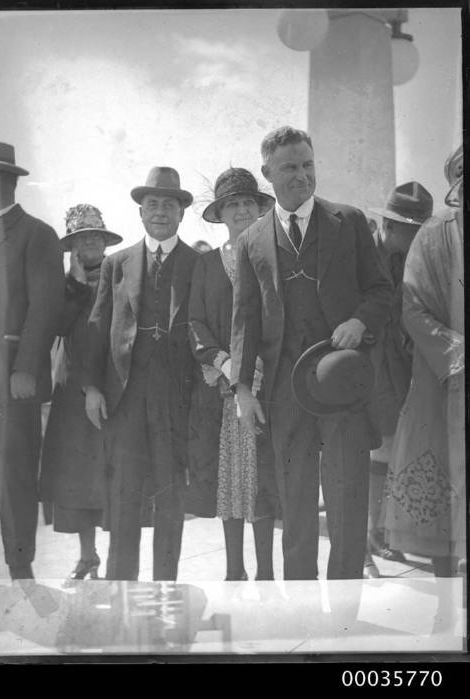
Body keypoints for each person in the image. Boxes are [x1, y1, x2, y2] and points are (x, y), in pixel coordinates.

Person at [230, 126, 393, 580]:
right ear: (267, 173)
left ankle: (345, 610)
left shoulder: (350, 220)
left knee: (346, 494)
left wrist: (360, 321)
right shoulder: (251, 241)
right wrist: (243, 389)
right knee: (295, 499)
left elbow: (381, 289)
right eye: (289, 167)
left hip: (342, 383)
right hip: (285, 390)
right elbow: (244, 320)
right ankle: (300, 600)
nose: (301, 175)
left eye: (307, 164)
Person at [83, 167, 198, 581]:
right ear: (141, 212)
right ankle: (120, 589)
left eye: (169, 204)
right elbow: (96, 329)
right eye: (153, 204)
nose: (161, 211)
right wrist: (92, 387)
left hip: (174, 401)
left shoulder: (198, 263)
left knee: (171, 498)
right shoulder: (118, 263)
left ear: (182, 213)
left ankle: (166, 586)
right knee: (124, 496)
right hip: (124, 399)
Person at [187, 167, 278, 580]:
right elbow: (195, 322)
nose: (241, 211)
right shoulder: (206, 264)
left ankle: (265, 572)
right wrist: (224, 363)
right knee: (230, 481)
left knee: (263, 480)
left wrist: (260, 366)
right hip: (222, 389)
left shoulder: (275, 255)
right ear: (220, 214)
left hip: (268, 384)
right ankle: (233, 570)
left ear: (260, 209)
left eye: (247, 203)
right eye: (232, 205)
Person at [0, 141, 65, 580]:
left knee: (13, 477)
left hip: (12, 382)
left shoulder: (36, 234)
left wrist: (26, 369)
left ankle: (20, 572)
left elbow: (46, 307)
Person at [383, 145, 465, 583]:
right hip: (443, 378)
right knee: (441, 477)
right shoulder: (434, 235)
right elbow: (412, 308)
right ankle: (446, 582)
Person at [39, 204, 123, 584]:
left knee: (114, 473)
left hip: (114, 381)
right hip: (72, 389)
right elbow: (54, 326)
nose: (90, 243)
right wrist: (72, 286)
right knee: (78, 477)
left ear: (105, 241)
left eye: (95, 236)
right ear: (72, 246)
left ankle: (120, 558)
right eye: (81, 238)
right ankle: (87, 556)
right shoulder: (62, 283)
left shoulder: (122, 272)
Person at [363, 182, 434, 578]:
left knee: (388, 454)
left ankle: (377, 536)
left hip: (397, 370)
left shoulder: (407, 259)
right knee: (361, 455)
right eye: (412, 230)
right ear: (391, 226)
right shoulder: (361, 254)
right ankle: (360, 550)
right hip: (361, 370)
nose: (417, 239)